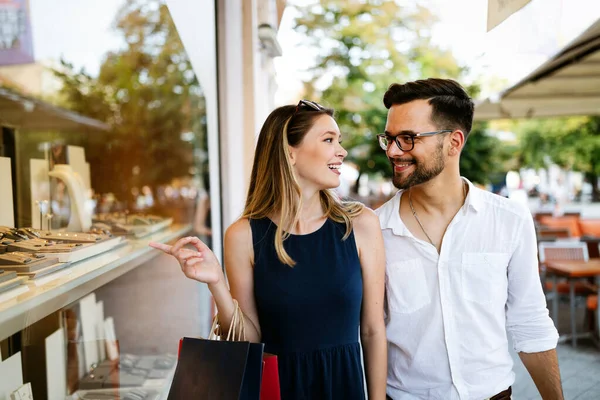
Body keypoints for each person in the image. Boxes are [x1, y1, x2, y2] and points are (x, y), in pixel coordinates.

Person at [150, 100, 387, 399]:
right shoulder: (243, 235)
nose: (342, 151)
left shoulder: (361, 224)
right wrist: (216, 284)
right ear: (290, 153)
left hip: (343, 387)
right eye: (329, 140)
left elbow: (373, 330)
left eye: (339, 141)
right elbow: (248, 342)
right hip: (277, 390)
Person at [374, 79, 562, 400]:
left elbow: (529, 321)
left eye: (408, 138)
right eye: (389, 139)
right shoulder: (373, 231)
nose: (393, 150)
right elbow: (367, 332)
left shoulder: (509, 220)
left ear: (454, 141)